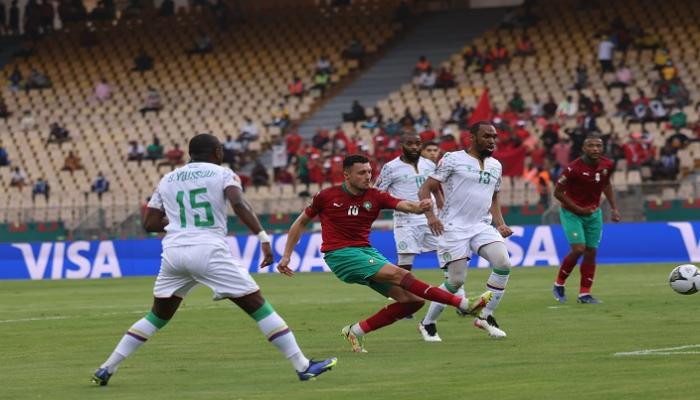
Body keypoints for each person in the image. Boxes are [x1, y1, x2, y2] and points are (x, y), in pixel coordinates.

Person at [92, 134, 336, 386]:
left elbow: (150, 223)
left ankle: (106, 368)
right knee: (258, 306)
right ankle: (303, 366)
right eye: (221, 149)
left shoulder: (167, 179)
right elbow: (238, 203)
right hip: (208, 250)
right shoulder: (223, 174)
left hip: (173, 254)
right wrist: (263, 237)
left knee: (156, 317)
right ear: (216, 152)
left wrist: (178, 223)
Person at [277, 154, 492, 352]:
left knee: (413, 302)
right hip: (340, 255)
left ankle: (356, 331)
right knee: (401, 275)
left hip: (365, 252)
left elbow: (403, 204)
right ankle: (464, 304)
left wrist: (420, 207)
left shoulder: (375, 196)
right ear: (347, 175)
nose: (368, 176)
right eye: (362, 172)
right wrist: (287, 255)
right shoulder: (326, 196)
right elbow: (300, 223)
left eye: (370, 172)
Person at [418, 121, 514, 339]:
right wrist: (431, 216)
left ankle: (484, 316)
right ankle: (428, 323)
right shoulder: (453, 159)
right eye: (486, 136)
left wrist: (500, 223)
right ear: (471, 137)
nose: (491, 141)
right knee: (455, 282)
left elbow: (494, 195)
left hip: (481, 225)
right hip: (453, 227)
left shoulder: (495, 165)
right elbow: (426, 188)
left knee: (503, 263)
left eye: (494, 137)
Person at [374, 132, 443, 335]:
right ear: (402, 145)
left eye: (417, 144)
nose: (414, 147)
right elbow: (378, 192)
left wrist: (440, 202)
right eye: (410, 143)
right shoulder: (391, 167)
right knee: (405, 261)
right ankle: (405, 301)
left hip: (431, 217)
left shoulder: (430, 165)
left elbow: (436, 186)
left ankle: (455, 290)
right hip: (405, 220)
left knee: (450, 253)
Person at [552, 134, 621, 304]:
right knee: (578, 249)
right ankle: (559, 283)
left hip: (593, 214)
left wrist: (614, 208)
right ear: (584, 148)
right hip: (572, 213)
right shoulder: (572, 168)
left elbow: (606, 184)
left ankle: (584, 294)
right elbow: (557, 193)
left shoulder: (607, 165)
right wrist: (577, 209)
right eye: (591, 145)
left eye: (598, 145)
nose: (595, 149)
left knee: (591, 252)